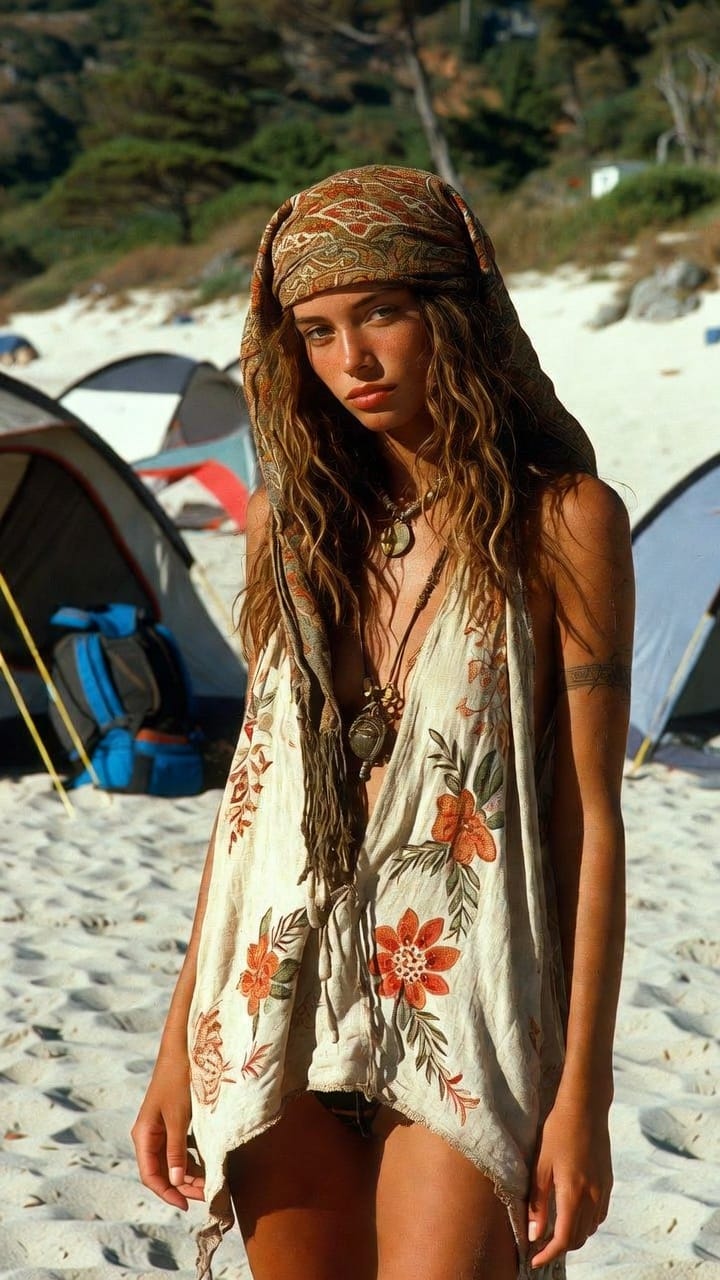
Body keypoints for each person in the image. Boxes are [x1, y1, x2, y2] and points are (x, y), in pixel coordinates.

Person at [132, 165, 634, 1280]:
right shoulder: (287, 529)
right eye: (316, 331)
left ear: (452, 315)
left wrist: (582, 1093)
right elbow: (248, 804)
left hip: (464, 992)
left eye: (382, 316)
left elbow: (590, 821)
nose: (350, 360)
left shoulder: (564, 523)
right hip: (273, 989)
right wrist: (177, 1047)